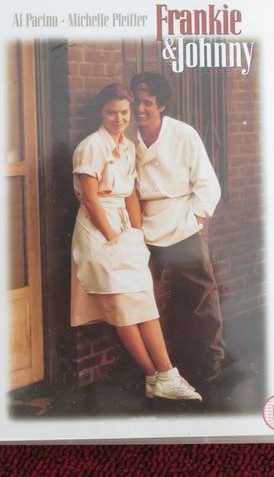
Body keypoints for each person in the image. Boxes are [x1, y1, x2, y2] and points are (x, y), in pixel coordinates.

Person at [70, 83, 201, 401]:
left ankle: (163, 377)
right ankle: (158, 376)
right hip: (99, 231)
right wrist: (113, 239)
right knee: (125, 308)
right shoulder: (91, 147)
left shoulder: (128, 146)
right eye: (111, 112)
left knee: (142, 300)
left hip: (125, 229)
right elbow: (90, 199)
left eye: (124, 112)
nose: (119, 118)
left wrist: (136, 234)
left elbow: (130, 192)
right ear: (101, 113)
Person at [126, 72, 225, 384]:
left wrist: (198, 219)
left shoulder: (184, 134)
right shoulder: (127, 136)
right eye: (136, 101)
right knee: (138, 295)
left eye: (148, 103)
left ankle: (210, 361)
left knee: (199, 294)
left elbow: (207, 182)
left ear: (162, 105)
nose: (140, 109)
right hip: (142, 224)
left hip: (182, 220)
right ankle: (150, 367)